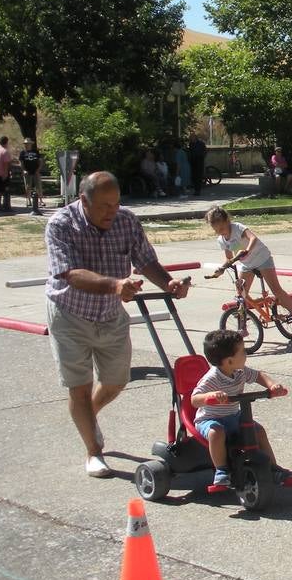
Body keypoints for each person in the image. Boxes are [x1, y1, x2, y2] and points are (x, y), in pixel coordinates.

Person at [44, 171, 190, 477]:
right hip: (70, 314)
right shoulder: (61, 224)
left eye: (116, 203)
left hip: (110, 315)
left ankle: (86, 416)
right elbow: (70, 273)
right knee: (79, 388)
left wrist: (169, 283)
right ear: (83, 201)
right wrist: (115, 285)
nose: (112, 211)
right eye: (104, 206)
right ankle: (93, 451)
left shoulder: (126, 220)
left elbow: (145, 260)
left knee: (115, 381)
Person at [190, 328, 292, 489]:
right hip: (210, 419)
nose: (245, 354)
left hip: (233, 416)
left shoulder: (240, 371)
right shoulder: (211, 378)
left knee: (258, 431)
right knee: (216, 432)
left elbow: (258, 376)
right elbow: (194, 400)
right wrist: (210, 396)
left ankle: (272, 467)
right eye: (242, 351)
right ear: (229, 361)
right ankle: (222, 471)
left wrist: (272, 386)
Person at [205, 206, 292, 339]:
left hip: (262, 259)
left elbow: (253, 238)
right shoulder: (222, 240)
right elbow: (229, 258)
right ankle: (243, 327)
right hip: (247, 265)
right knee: (241, 294)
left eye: (222, 229)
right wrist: (221, 269)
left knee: (276, 290)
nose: (221, 233)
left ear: (227, 221)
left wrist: (247, 249)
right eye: (217, 231)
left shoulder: (237, 228)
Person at [20, 138, 43, 215]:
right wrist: (24, 170)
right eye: (26, 144)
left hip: (35, 170)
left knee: (38, 186)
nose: (27, 145)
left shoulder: (35, 152)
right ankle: (28, 200)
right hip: (27, 171)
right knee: (28, 186)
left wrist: (38, 169)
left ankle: (40, 200)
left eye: (28, 144)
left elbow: (40, 161)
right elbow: (21, 163)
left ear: (31, 144)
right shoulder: (22, 153)